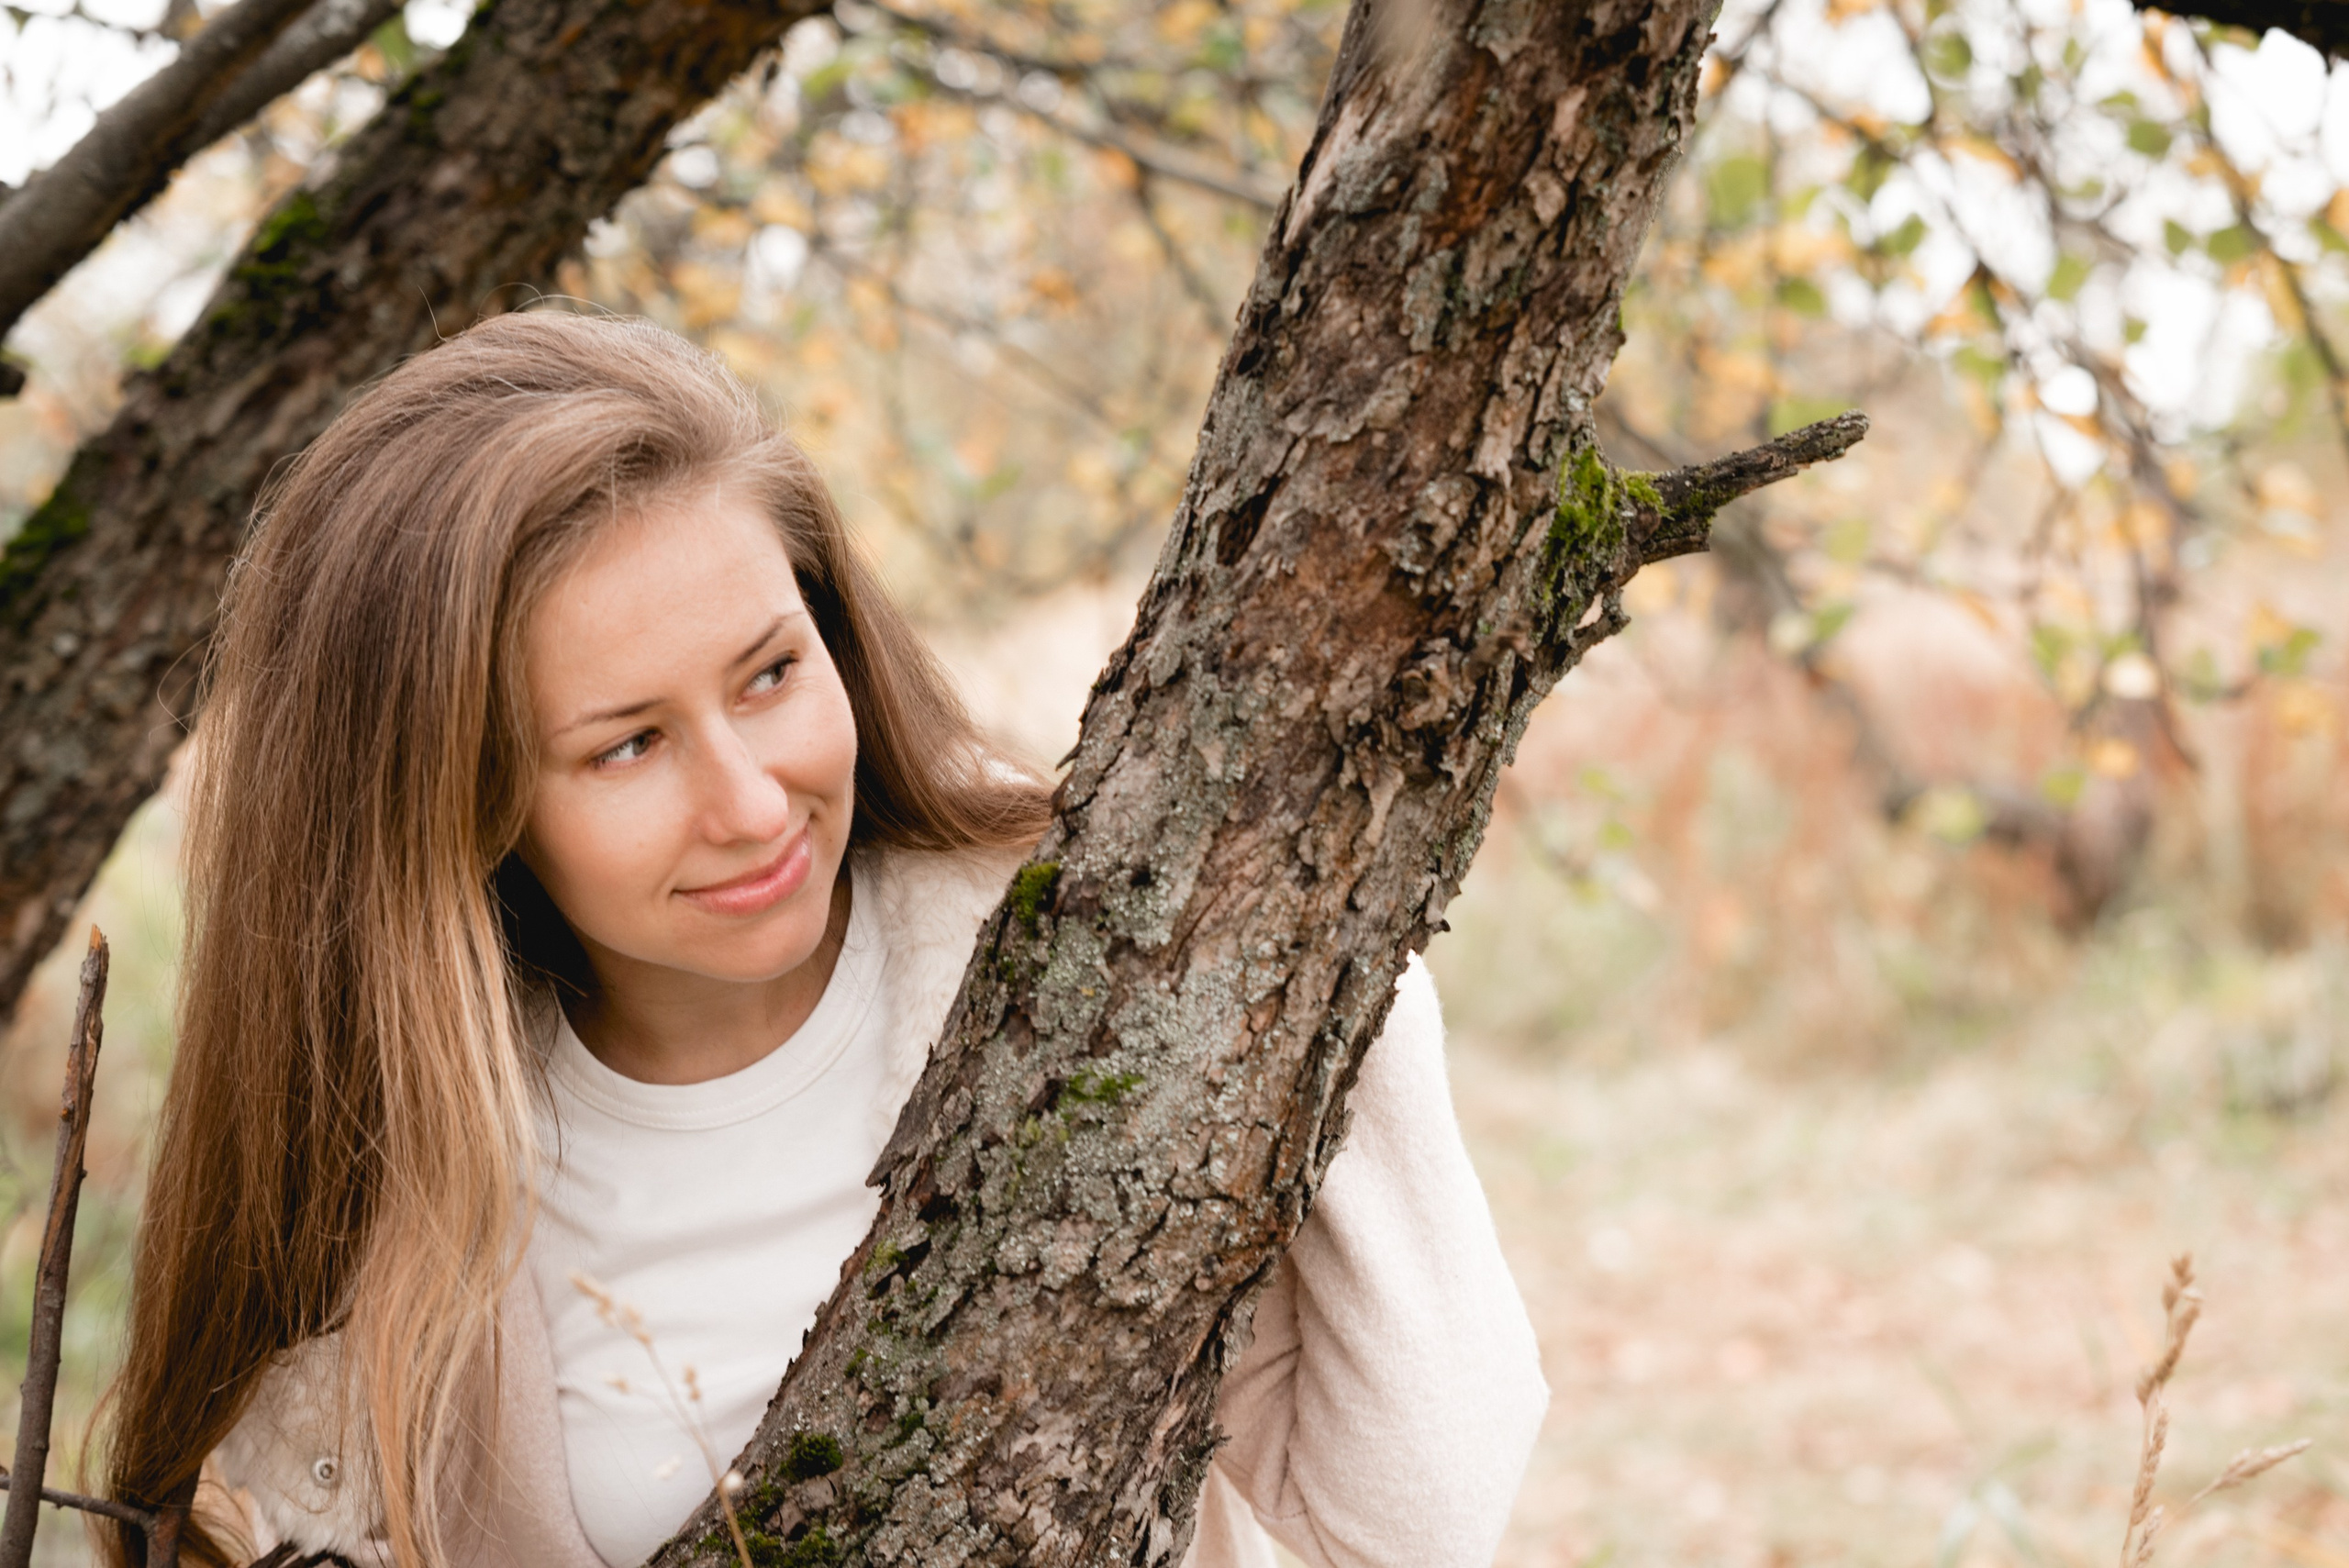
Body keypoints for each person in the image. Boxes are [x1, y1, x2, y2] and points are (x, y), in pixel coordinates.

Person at [98, 310, 1547, 1568]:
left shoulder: (1080, 947)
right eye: (626, 747)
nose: (750, 801)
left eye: (772, 673)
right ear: (454, 807)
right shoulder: (399, 1172)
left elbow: (1411, 1517)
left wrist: (1311, 934)